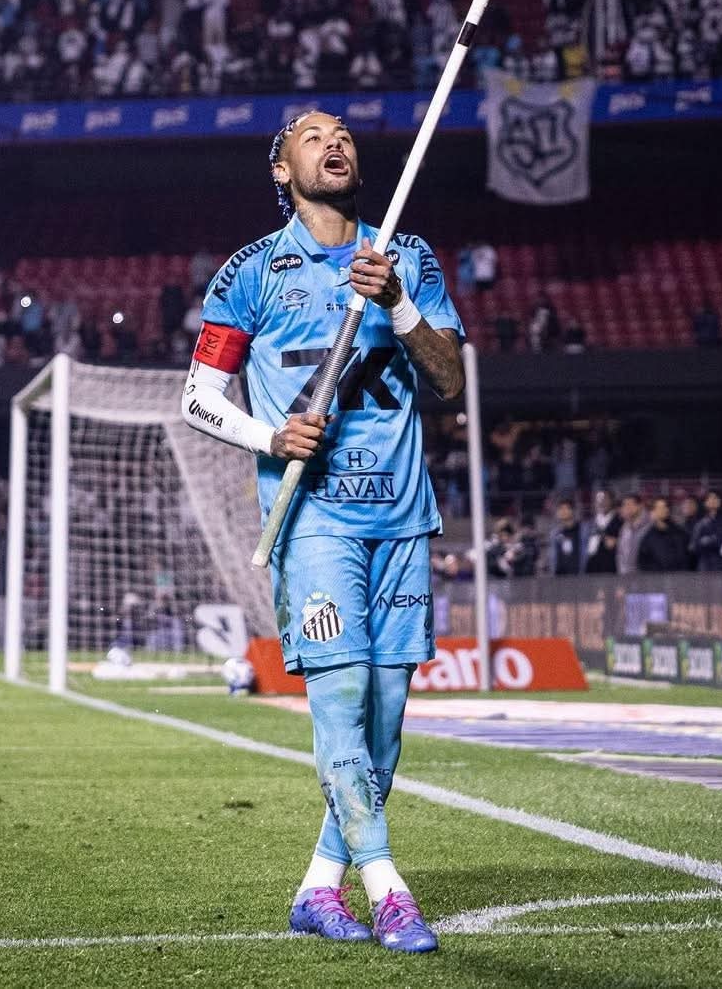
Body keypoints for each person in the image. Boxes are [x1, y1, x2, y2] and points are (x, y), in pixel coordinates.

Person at [180, 111, 464, 953]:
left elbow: (449, 379)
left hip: (402, 515)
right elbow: (198, 399)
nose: (334, 142)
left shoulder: (407, 257)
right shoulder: (251, 272)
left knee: (385, 719)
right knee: (341, 702)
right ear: (281, 169)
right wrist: (271, 438)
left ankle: (318, 887)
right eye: (312, 136)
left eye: (343, 133)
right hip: (313, 520)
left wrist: (399, 304)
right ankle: (388, 889)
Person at [636, 498, 690, 572]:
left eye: (665, 507)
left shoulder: (680, 533)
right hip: (658, 577)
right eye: (660, 508)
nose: (664, 510)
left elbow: (687, 557)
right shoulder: (647, 537)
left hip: (680, 576)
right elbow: (643, 563)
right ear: (653, 512)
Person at [688, 488, 722, 571]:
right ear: (705, 502)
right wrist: (709, 541)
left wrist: (707, 541)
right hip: (704, 566)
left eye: (715, 498)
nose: (713, 501)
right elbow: (693, 546)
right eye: (710, 498)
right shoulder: (699, 523)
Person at [583, 489, 620, 573]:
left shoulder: (619, 521)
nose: (601, 502)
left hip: (611, 568)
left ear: (612, 500)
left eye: (604, 499)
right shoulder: (590, 523)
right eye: (598, 499)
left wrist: (617, 542)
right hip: (592, 568)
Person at [616, 493, 649, 574]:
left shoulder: (649, 525)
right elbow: (620, 554)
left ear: (640, 506)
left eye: (629, 504)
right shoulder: (624, 528)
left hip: (644, 575)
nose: (626, 508)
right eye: (624, 505)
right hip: (625, 575)